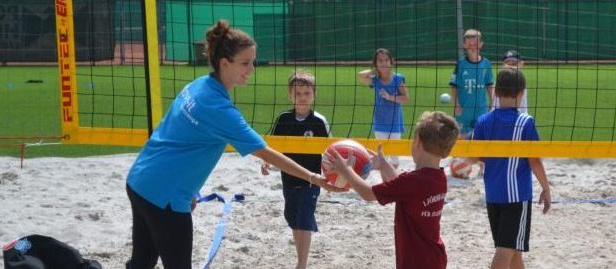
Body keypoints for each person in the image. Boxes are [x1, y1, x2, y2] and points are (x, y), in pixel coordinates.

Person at [124, 20, 342, 269]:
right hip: (165, 193)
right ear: (224, 63)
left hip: (140, 179)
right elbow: (267, 153)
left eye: (252, 61)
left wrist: (192, 191)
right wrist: (313, 177)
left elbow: (174, 134)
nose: (251, 69)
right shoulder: (220, 110)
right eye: (245, 63)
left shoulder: (197, 86)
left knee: (142, 262)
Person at [328, 111, 459, 269]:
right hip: (435, 257)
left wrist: (346, 170)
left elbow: (368, 194)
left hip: (415, 262)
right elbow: (402, 189)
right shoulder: (439, 177)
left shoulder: (412, 181)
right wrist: (384, 165)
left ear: (417, 140)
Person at [470, 68, 551, 269]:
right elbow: (534, 160)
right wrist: (546, 187)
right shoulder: (526, 122)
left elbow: (473, 157)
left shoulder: (483, 121)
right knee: (506, 250)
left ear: (495, 91)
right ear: (522, 93)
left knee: (513, 251)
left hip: (493, 196)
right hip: (516, 197)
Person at [260, 70, 330, 269]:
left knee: (304, 219)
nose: (302, 97)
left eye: (306, 93)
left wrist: (332, 170)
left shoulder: (319, 121)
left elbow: (329, 149)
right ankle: (300, 258)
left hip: (312, 180)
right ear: (290, 95)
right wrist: (266, 162)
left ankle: (302, 263)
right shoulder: (283, 119)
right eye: (297, 94)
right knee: (294, 219)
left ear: (314, 95)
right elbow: (273, 147)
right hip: (289, 178)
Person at [357, 48, 409, 168]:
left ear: (391, 62)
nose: (384, 63)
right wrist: (374, 70)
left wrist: (390, 97)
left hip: (394, 123)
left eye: (386, 60)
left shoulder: (398, 79)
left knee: (395, 159)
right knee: (382, 157)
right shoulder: (375, 80)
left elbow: (406, 98)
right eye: (380, 60)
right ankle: (385, 181)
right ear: (375, 63)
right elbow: (360, 76)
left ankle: (393, 179)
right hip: (380, 123)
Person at [450, 29, 495, 138]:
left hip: (481, 108)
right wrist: (456, 103)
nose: (472, 47)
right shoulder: (460, 64)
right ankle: (461, 155)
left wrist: (492, 103)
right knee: (462, 137)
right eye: (469, 45)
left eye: (475, 44)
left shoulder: (486, 64)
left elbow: (489, 85)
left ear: (481, 44)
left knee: (482, 136)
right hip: (464, 109)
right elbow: (454, 86)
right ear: (464, 45)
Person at [492, 50, 528, 114]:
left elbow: (523, 108)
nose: (511, 67)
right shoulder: (500, 82)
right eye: (508, 64)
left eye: (514, 64)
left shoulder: (521, 81)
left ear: (521, 64)